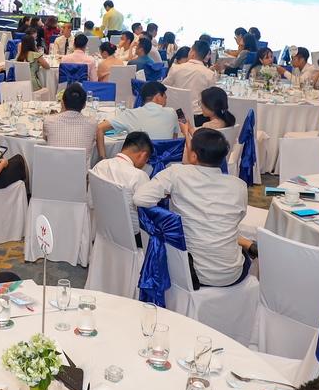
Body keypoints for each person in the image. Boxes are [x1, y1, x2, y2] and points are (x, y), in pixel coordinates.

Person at [134, 127, 251, 287]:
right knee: (241, 252)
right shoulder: (239, 186)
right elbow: (236, 219)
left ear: (194, 155)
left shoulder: (176, 173)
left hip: (190, 272)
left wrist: (171, 196)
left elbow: (140, 198)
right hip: (231, 274)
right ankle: (244, 243)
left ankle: (243, 243)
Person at [96, 80, 180, 156]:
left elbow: (99, 128)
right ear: (158, 96)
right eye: (165, 98)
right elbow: (173, 141)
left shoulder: (130, 114)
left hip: (139, 163)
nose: (166, 102)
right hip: (165, 162)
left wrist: (103, 158)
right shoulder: (171, 113)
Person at [44, 83, 101, 161]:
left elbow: (45, 138)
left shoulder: (49, 121)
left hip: (53, 168)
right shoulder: (92, 124)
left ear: (62, 103)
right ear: (84, 105)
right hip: (80, 169)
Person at [90, 131, 152, 197]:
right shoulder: (139, 176)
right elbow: (148, 202)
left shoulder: (99, 166)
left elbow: (90, 199)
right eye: (146, 161)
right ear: (143, 156)